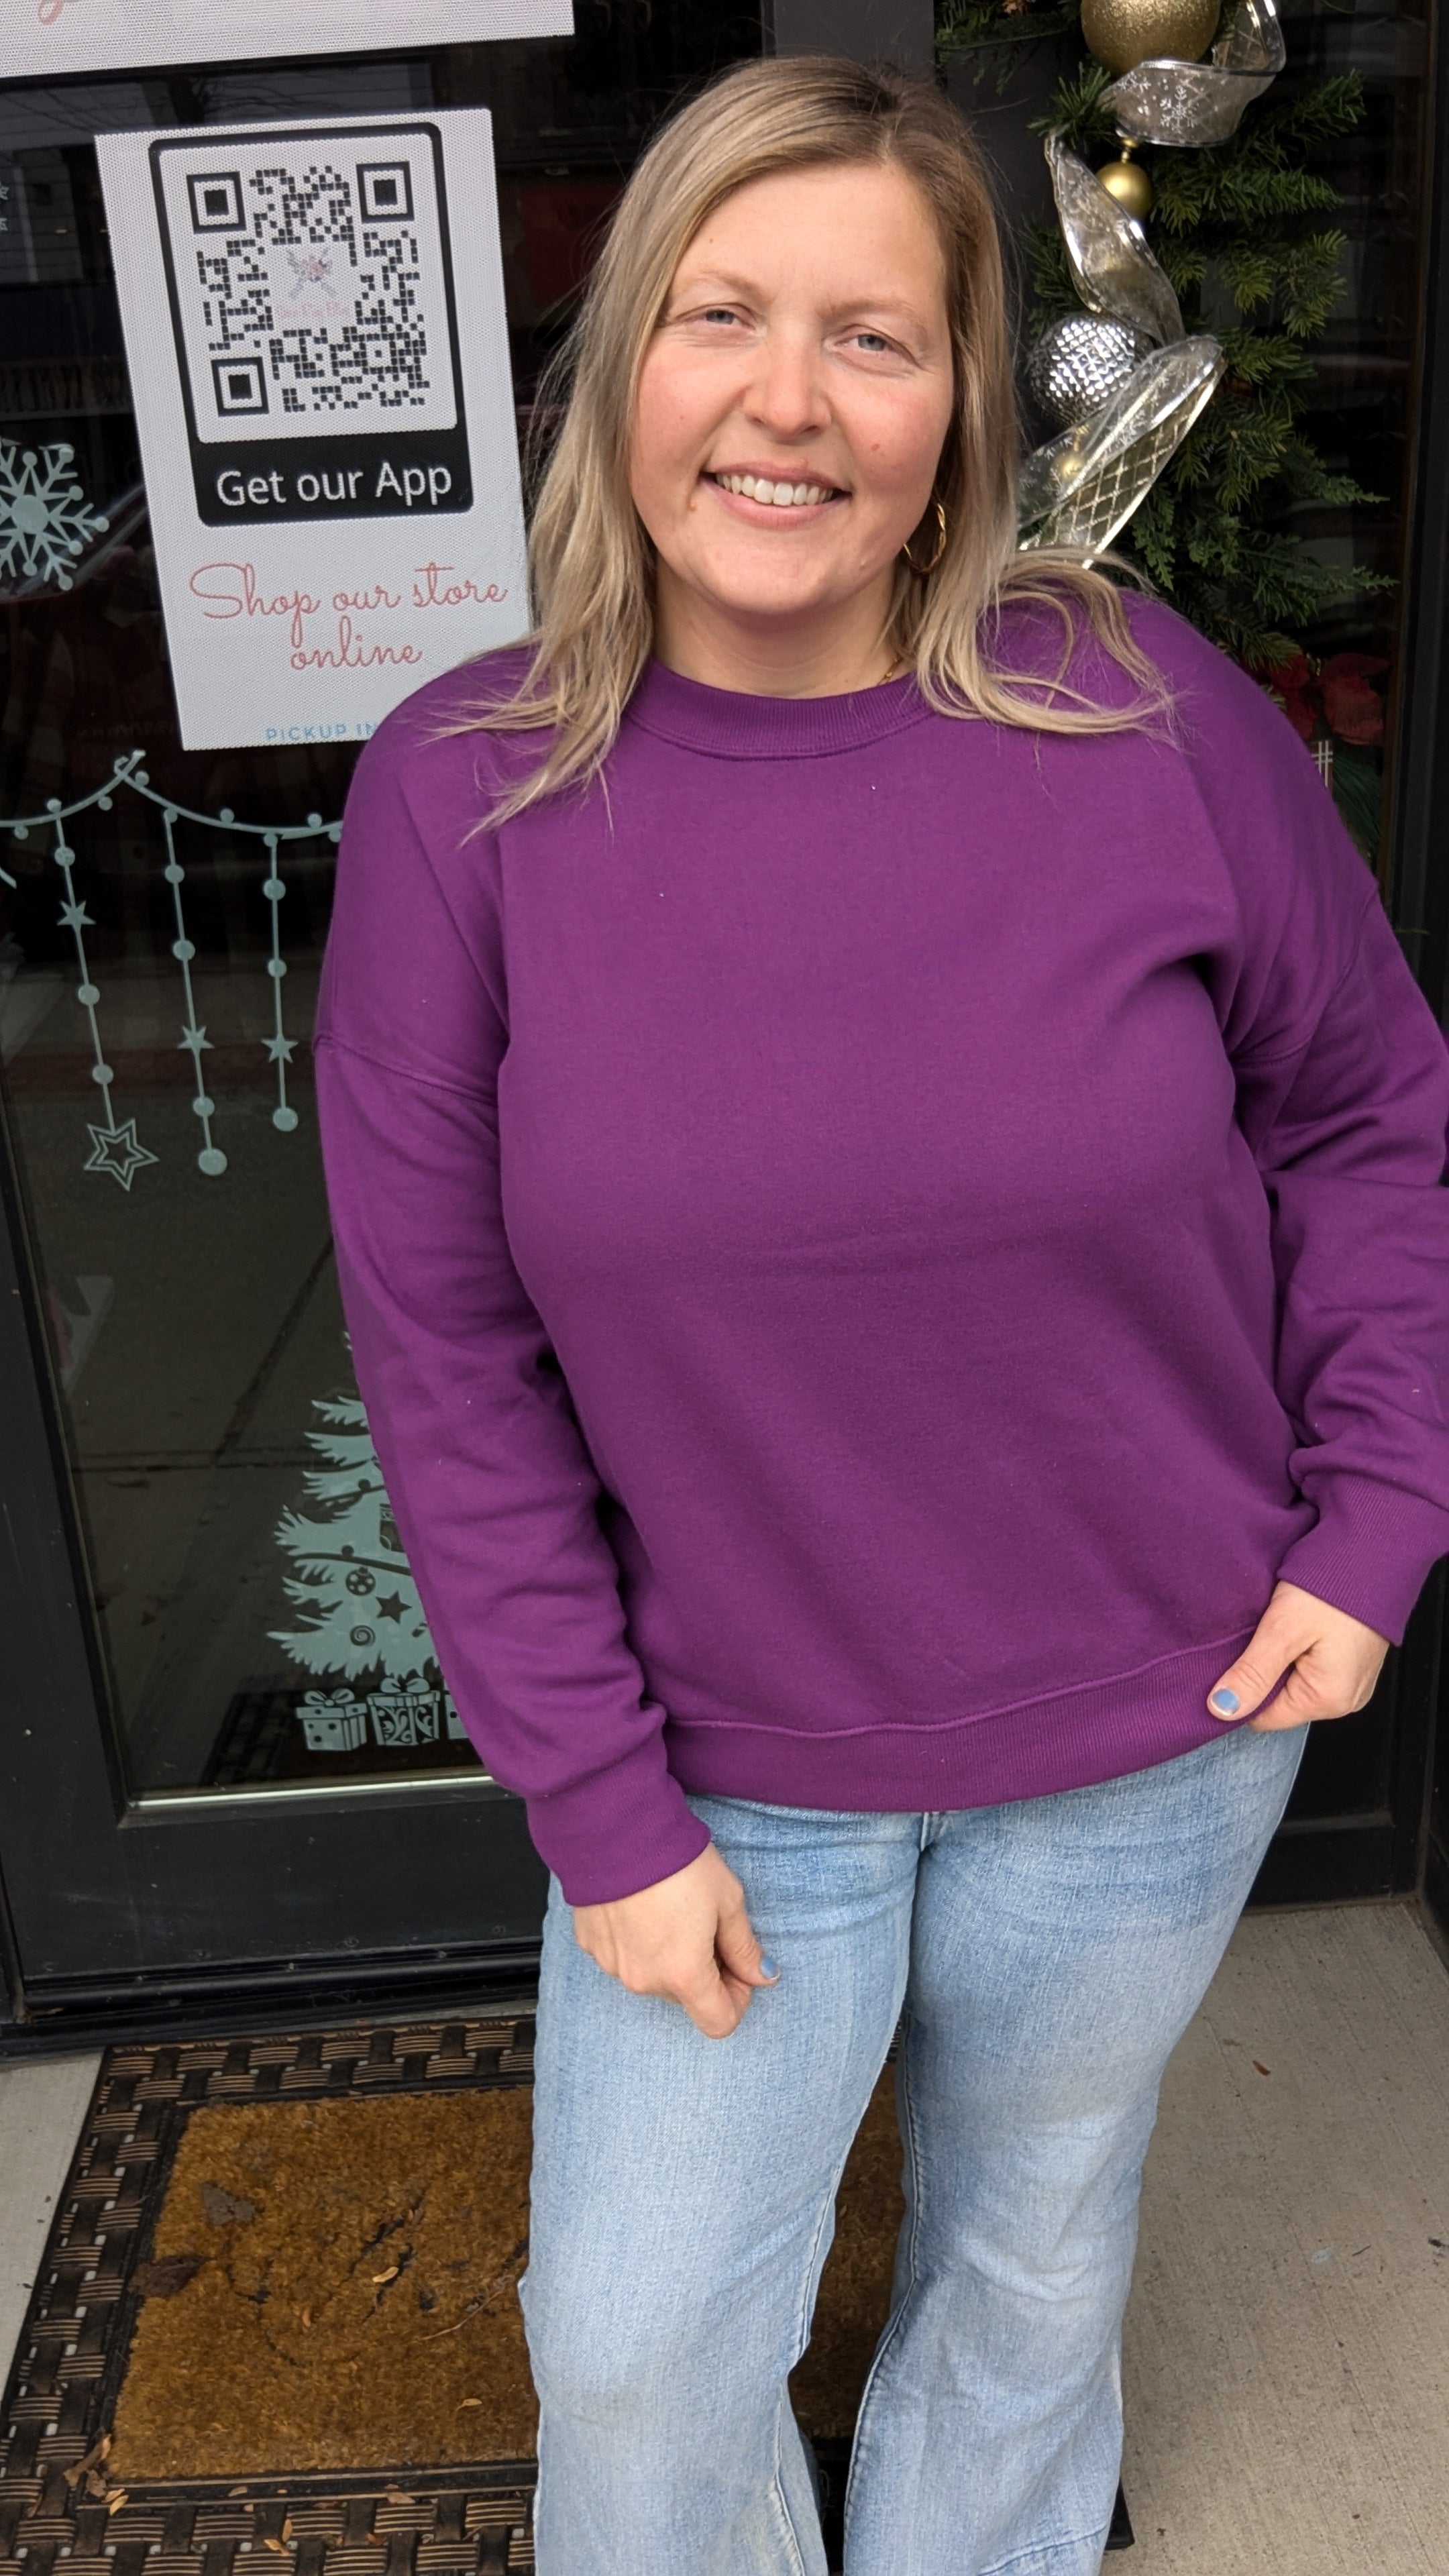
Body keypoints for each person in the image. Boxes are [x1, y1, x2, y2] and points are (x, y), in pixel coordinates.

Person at [313, 54, 1449, 2576]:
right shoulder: (464, 797)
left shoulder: (1138, 711)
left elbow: (1371, 1110)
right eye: (721, 314)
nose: (790, 402)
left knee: (1033, 2261)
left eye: (876, 337)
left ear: (959, 413)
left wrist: (1379, 1510)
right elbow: (447, 1364)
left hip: (1163, 1717)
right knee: (637, 2354)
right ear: (622, 363)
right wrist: (601, 1806)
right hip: (724, 1764)